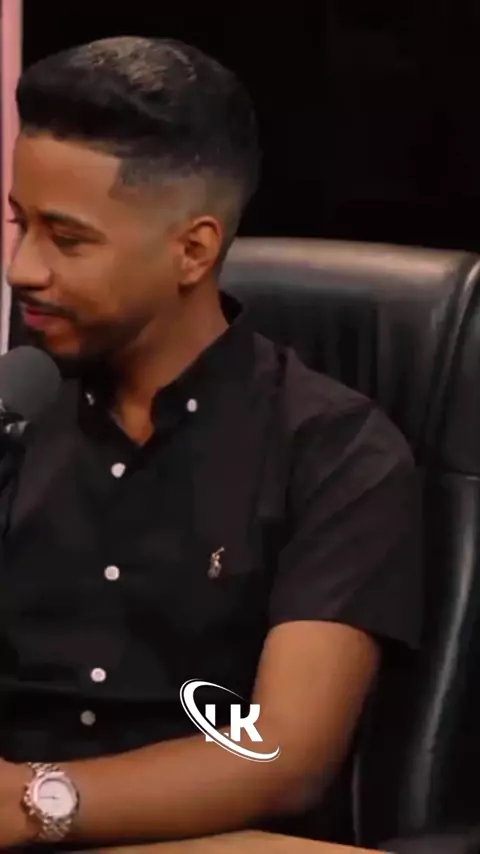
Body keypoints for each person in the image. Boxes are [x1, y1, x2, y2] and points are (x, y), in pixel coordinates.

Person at [0, 36, 421, 848]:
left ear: (192, 250)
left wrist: (33, 805)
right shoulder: (14, 414)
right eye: (21, 225)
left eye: (67, 238)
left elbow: (283, 756)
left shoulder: (336, 450)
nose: (23, 269)